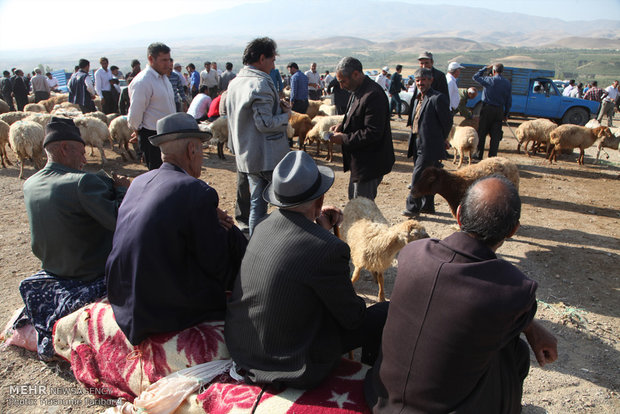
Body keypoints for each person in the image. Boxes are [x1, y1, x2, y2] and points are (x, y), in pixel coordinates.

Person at [366, 175, 558, 413]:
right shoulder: (515, 288)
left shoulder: (413, 253)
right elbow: (511, 315)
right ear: (513, 231)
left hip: (380, 397)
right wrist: (531, 327)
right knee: (514, 352)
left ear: (458, 215)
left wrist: (531, 326)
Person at [225, 150, 389, 389]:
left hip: (244, 347)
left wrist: (319, 227)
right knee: (383, 313)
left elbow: (298, 254)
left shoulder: (262, 225)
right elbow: (352, 318)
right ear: (320, 201)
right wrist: (323, 235)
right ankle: (368, 383)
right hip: (289, 365)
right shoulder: (329, 250)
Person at [106, 112, 247, 345]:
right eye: (201, 149)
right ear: (192, 149)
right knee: (232, 234)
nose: (201, 156)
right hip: (160, 310)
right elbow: (216, 265)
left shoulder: (140, 180)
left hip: (122, 298)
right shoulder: (196, 190)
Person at [17, 117, 129, 360]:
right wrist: (121, 190)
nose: (84, 158)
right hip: (87, 272)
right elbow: (119, 220)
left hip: (52, 268)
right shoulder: (82, 182)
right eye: (80, 151)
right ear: (65, 148)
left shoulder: (30, 183)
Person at [226, 37, 291, 236]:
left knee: (257, 204)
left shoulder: (236, 82)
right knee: (286, 204)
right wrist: (286, 115)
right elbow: (265, 124)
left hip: (248, 155)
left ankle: (256, 246)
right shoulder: (260, 83)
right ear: (262, 58)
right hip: (268, 157)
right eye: (272, 60)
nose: (273, 65)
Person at [328, 57, 395, 201]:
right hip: (360, 162)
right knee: (355, 203)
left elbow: (372, 132)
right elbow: (357, 117)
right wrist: (343, 127)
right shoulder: (358, 90)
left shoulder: (373, 95)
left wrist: (343, 138)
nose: (341, 87)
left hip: (369, 163)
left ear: (356, 74)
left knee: (362, 210)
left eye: (343, 81)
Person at [402, 67, 453, 216]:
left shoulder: (438, 98)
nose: (420, 83)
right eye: (418, 80)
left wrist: (441, 139)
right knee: (429, 175)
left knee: (417, 176)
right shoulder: (418, 97)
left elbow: (447, 122)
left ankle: (412, 207)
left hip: (430, 144)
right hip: (417, 142)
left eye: (423, 80)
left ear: (431, 80)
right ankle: (428, 205)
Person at [127, 42, 176, 170]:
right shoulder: (143, 81)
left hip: (168, 134)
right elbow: (135, 113)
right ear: (151, 59)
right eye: (163, 60)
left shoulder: (164, 78)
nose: (167, 64)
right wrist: (137, 132)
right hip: (153, 137)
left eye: (168, 60)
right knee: (158, 173)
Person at [472, 63, 512, 159]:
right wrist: (506, 114)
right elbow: (508, 100)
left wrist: (485, 68)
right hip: (499, 111)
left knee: (482, 133)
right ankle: (492, 157)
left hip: (487, 109)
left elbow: (475, 77)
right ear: (502, 71)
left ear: (493, 71)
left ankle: (478, 155)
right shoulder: (507, 83)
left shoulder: (489, 80)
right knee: (495, 135)